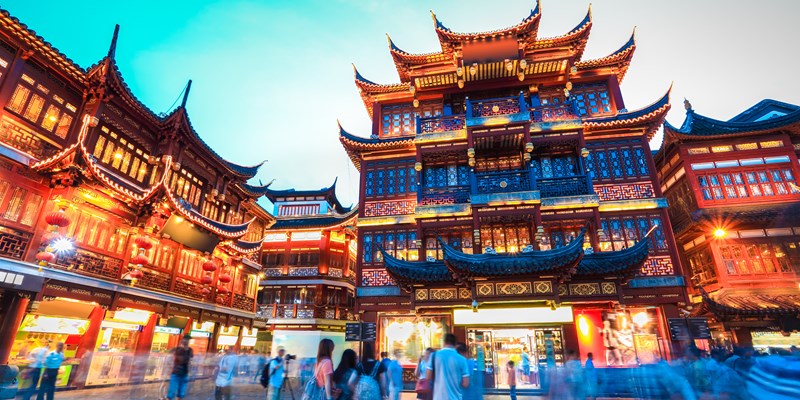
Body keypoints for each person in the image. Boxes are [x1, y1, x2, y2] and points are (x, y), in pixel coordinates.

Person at [426, 333, 469, 400]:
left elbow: (428, 377)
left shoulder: (433, 356)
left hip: (438, 397)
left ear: (444, 342)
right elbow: (465, 384)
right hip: (456, 397)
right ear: (455, 344)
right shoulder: (462, 359)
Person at [166, 335, 193, 400]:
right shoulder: (177, 349)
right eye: (186, 340)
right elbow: (169, 356)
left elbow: (191, 361)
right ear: (182, 340)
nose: (187, 341)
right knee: (171, 394)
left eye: (188, 340)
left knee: (181, 394)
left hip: (184, 374)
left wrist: (190, 370)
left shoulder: (190, 350)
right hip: (176, 373)